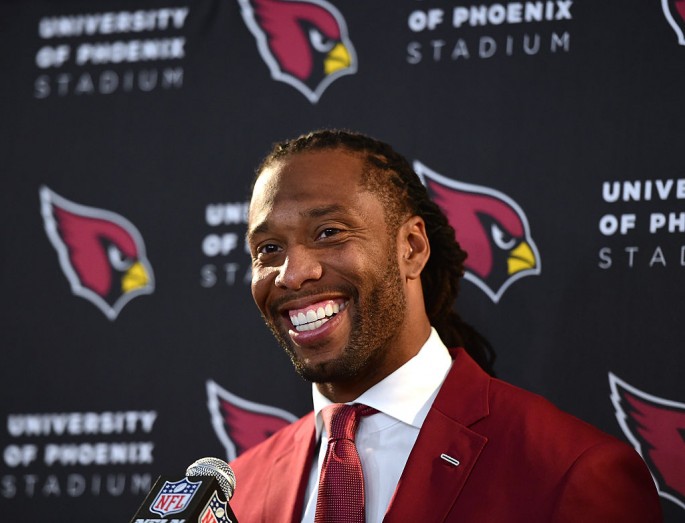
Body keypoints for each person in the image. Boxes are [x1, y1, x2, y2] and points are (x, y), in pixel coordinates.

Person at [229, 129, 662, 522]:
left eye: (328, 232)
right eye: (268, 248)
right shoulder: (238, 491)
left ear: (412, 248)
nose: (291, 273)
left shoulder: (572, 471)